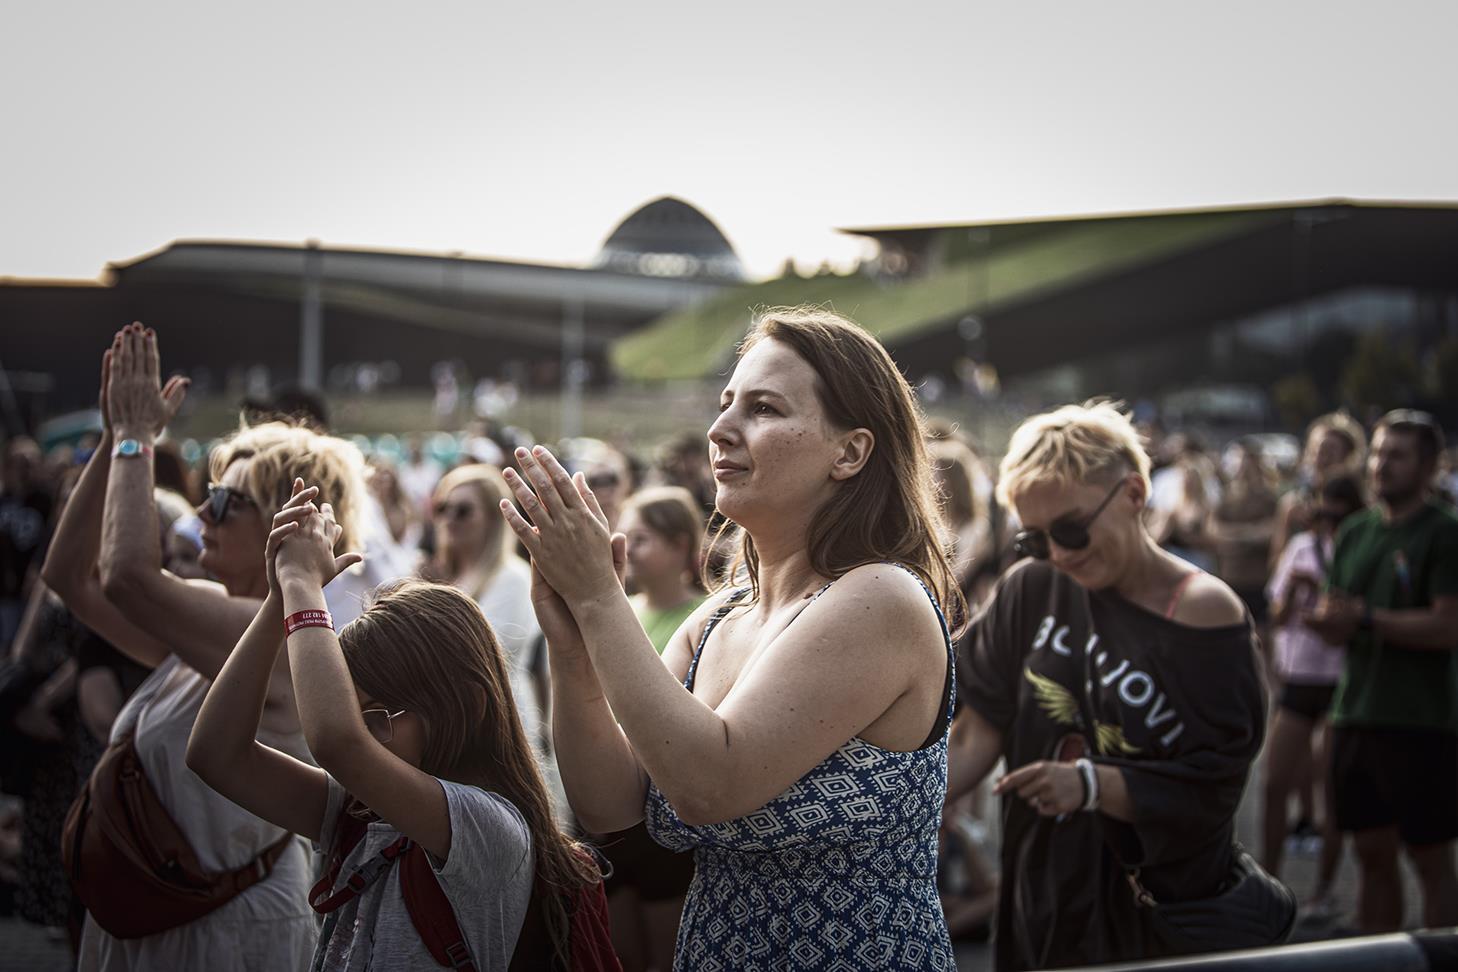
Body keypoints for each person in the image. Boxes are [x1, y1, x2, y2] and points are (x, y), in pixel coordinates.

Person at [500, 305, 963, 968]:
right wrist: (574, 651)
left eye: (763, 408)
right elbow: (610, 807)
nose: (720, 430)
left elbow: (709, 785)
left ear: (850, 452)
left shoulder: (882, 598)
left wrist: (601, 598)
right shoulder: (716, 619)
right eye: (725, 405)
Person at [41, 323, 366, 971]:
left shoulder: (280, 635)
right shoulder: (211, 616)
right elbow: (70, 578)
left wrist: (137, 435)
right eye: (208, 495)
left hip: (225, 932)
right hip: (165, 916)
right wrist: (113, 437)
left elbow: (127, 578)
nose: (200, 517)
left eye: (224, 502)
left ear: (285, 521)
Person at [186, 483, 603, 970]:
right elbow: (216, 754)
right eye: (356, 716)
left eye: (378, 718)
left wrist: (302, 584)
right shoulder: (363, 815)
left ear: (464, 705)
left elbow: (337, 742)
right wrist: (278, 598)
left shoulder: (490, 827)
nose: (365, 736)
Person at [946, 401, 1278, 970]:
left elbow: (1212, 785)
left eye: (1071, 530)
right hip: (1044, 889)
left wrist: (1092, 784)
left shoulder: (1203, 613)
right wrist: (897, 808)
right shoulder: (1032, 586)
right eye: (1035, 539)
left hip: (1151, 909)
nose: (1057, 554)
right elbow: (977, 730)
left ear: (1133, 494)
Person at [1305, 409, 1458, 933]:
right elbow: (1338, 618)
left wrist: (1366, 619)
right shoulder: (1354, 532)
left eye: (1397, 456)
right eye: (1376, 453)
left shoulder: (1444, 532)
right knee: (1371, 854)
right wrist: (1323, 620)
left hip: (1421, 720)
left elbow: (1448, 626)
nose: (1380, 465)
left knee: (1431, 859)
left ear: (1429, 466)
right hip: (1354, 714)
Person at [603, 486, 705, 971]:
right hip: (614, 804)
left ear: (680, 546)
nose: (627, 548)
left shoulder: (703, 618)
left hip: (664, 813)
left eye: (640, 539)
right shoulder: (623, 612)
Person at [1260, 474, 1364, 916]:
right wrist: (1296, 590)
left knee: (1331, 790)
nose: (1329, 523)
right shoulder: (1302, 547)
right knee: (1274, 783)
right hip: (1301, 675)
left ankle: (1323, 891)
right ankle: (1265, 886)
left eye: (1339, 516)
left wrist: (1325, 601)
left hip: (1343, 679)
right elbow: (1277, 615)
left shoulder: (1361, 550)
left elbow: (1356, 619)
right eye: (1323, 513)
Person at [427, 464, 548, 759]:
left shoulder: (513, 578)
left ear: (493, 519)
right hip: (453, 727)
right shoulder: (442, 575)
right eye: (443, 508)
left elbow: (479, 653)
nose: (449, 518)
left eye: (463, 510)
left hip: (501, 729)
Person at [1270, 412, 1366, 573]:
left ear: (1350, 457)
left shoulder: (1363, 506)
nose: (1322, 460)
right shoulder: (1292, 504)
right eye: (1317, 451)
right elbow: (1276, 567)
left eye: (1331, 452)